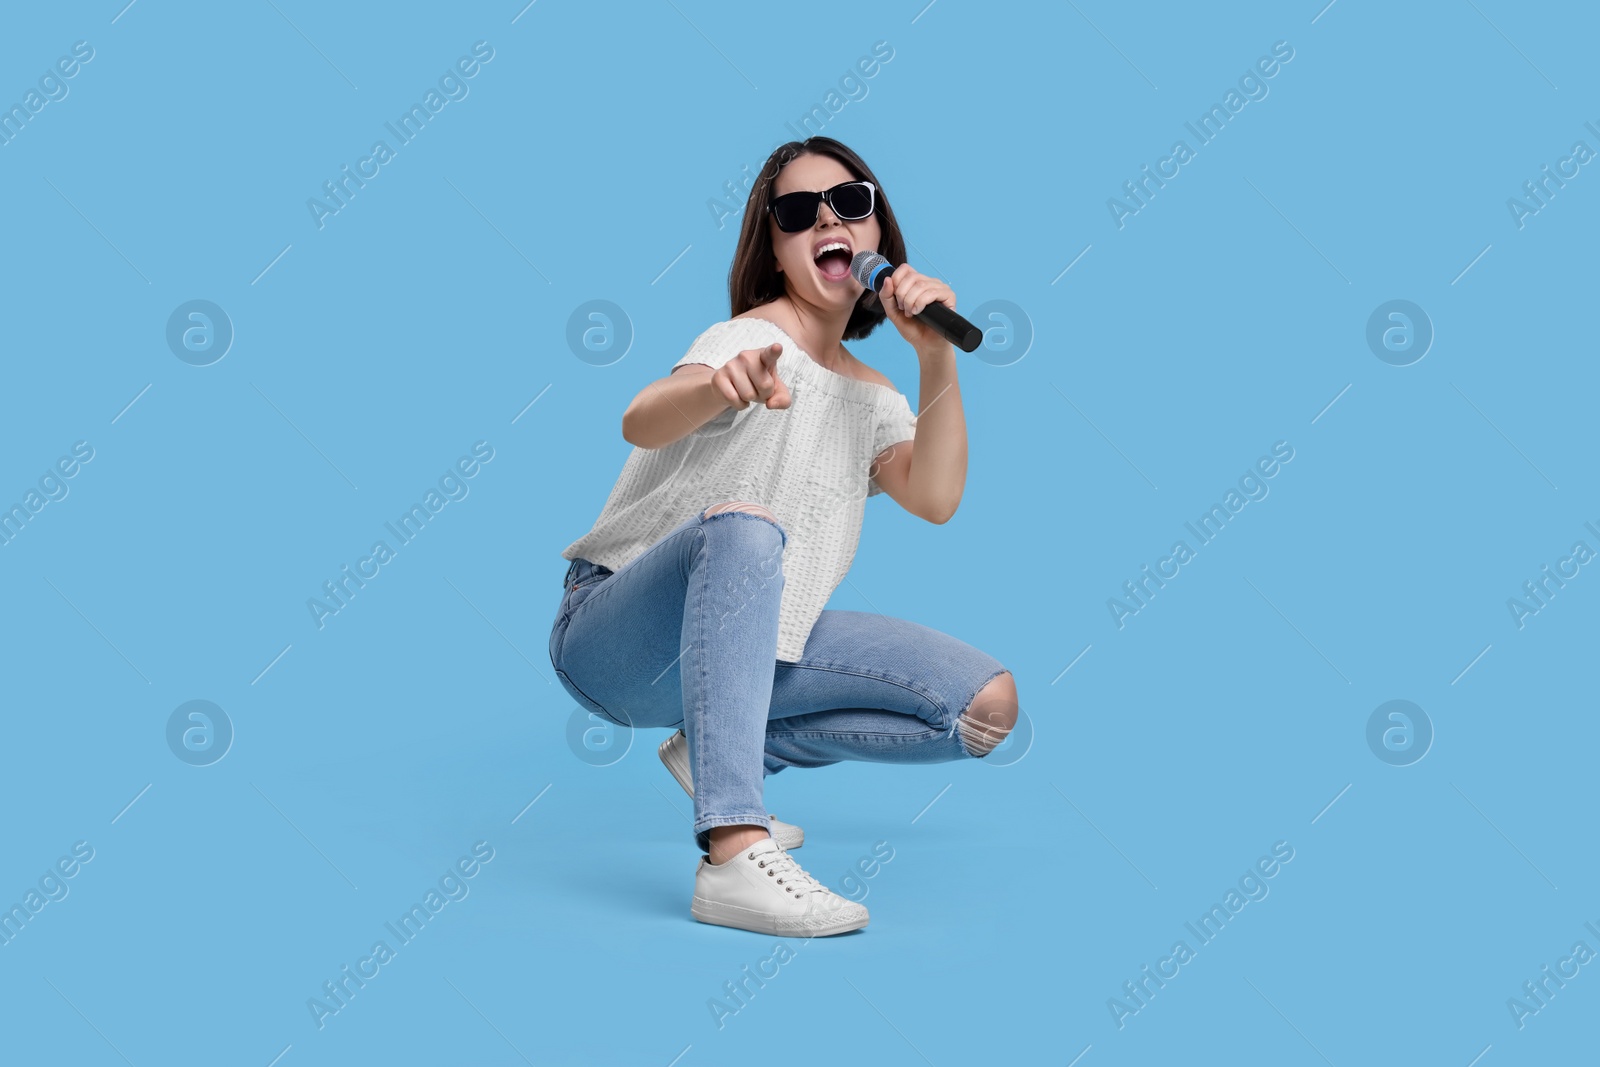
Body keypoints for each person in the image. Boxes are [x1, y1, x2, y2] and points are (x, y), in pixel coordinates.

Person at [547, 136, 1019, 937]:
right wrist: (717, 389)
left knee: (983, 708)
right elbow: (641, 414)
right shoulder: (747, 339)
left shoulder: (872, 398)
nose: (827, 220)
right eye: (798, 213)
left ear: (877, 235)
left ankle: (723, 750)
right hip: (615, 637)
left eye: (849, 202)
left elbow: (936, 497)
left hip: (748, 647)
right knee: (747, 523)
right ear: (774, 248)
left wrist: (935, 358)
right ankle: (732, 849)